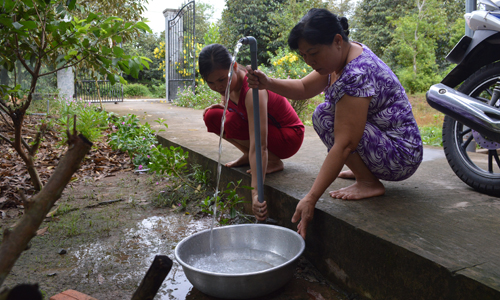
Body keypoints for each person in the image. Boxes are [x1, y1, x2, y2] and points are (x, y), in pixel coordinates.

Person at [246, 8, 423, 238]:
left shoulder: (356, 72)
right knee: (324, 115)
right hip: (385, 141)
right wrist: (267, 82)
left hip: (401, 155)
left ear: (337, 41)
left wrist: (311, 198)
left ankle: (368, 182)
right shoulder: (339, 58)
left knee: (326, 117)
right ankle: (364, 170)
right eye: (304, 56)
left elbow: (345, 144)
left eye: (313, 53)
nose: (310, 62)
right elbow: (303, 87)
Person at [199, 44, 305, 221]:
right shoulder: (229, 86)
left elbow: (260, 144)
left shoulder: (252, 90)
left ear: (233, 67)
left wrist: (255, 194)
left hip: (288, 137)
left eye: (222, 80)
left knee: (232, 122)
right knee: (212, 116)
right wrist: (225, 106)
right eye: (211, 82)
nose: (218, 87)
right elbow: (237, 114)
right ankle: (247, 154)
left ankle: (272, 161)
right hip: (270, 135)